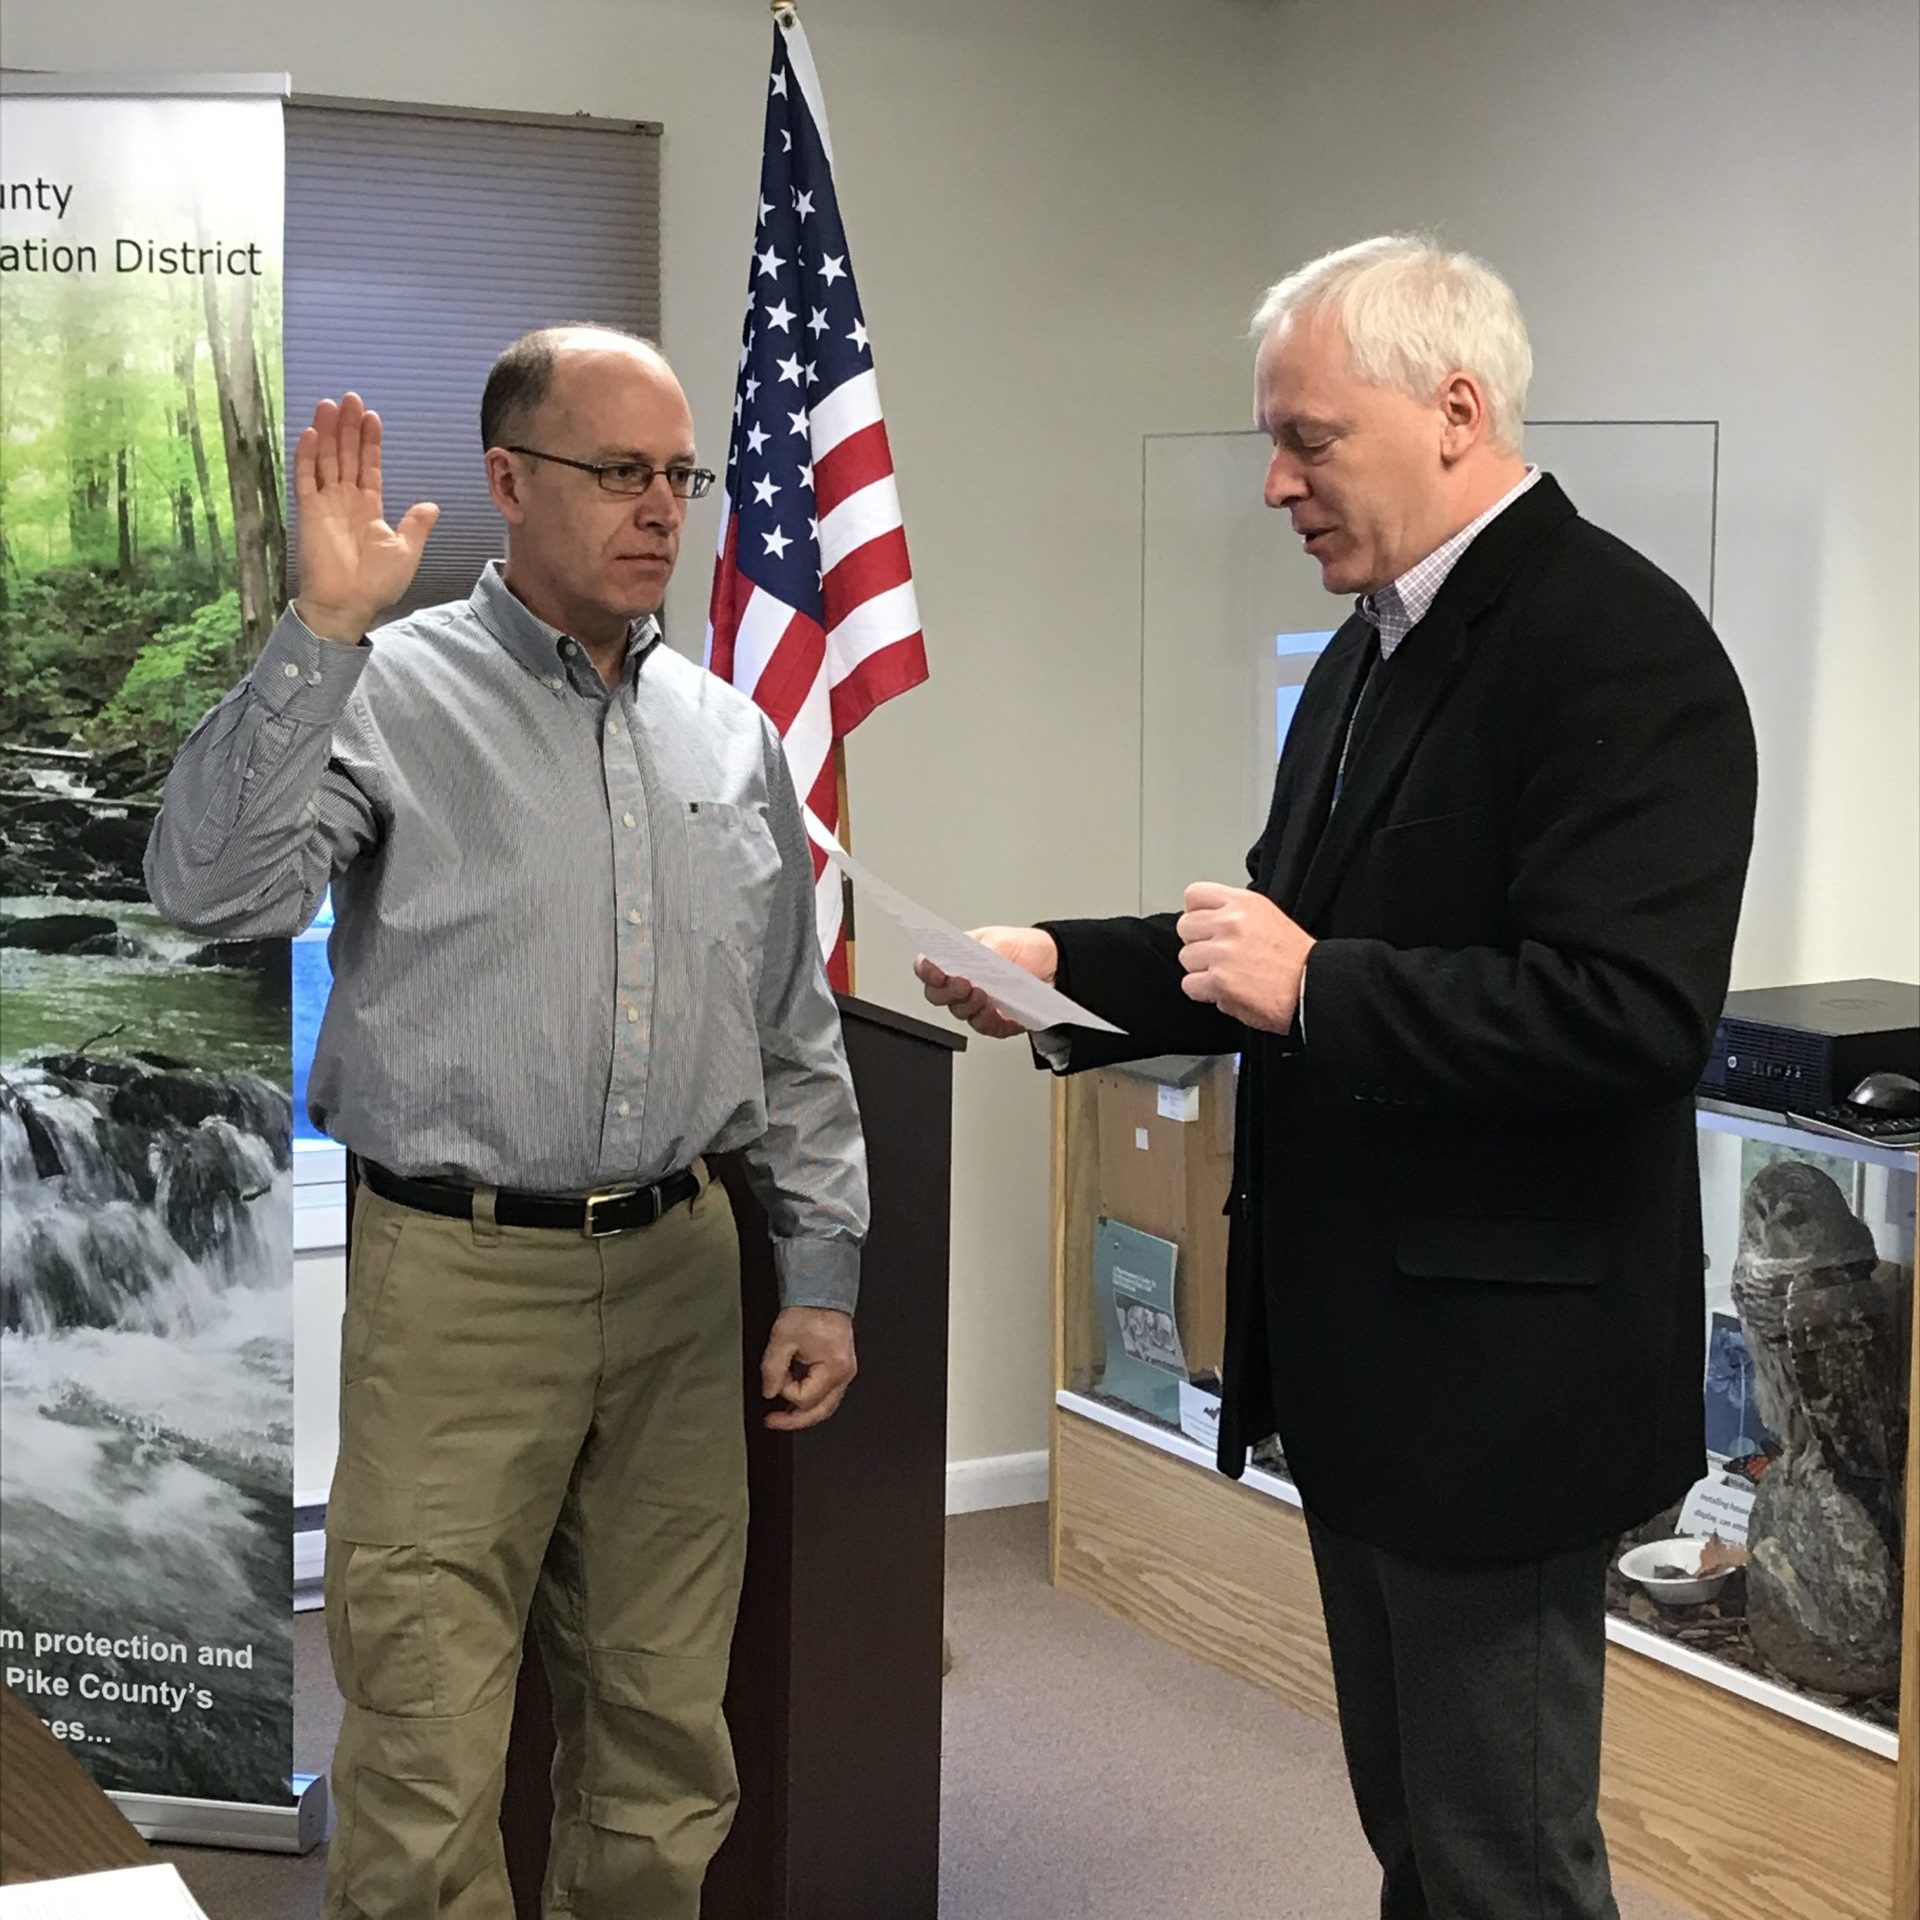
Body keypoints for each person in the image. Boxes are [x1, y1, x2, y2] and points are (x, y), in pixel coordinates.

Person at [921, 237, 1756, 1919]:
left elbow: (1628, 1013)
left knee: (1503, 1858)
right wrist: (1059, 963)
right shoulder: (1376, 651)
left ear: (1455, 409)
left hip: (1503, 1389)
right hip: (1376, 1367)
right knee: (1422, 1840)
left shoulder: (1620, 647)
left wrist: (1325, 988)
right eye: (1270, 445)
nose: (1275, 486)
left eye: (1306, 439)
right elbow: (1266, 945)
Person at [146, 325, 868, 1920]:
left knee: (666, 1734)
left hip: (683, 1282)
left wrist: (822, 1267)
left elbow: (791, 1031)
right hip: (459, 1294)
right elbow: (206, 895)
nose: (661, 508)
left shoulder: (728, 738)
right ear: (505, 482)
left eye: (677, 475)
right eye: (619, 471)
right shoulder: (390, 694)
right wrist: (317, 635)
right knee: (422, 1747)